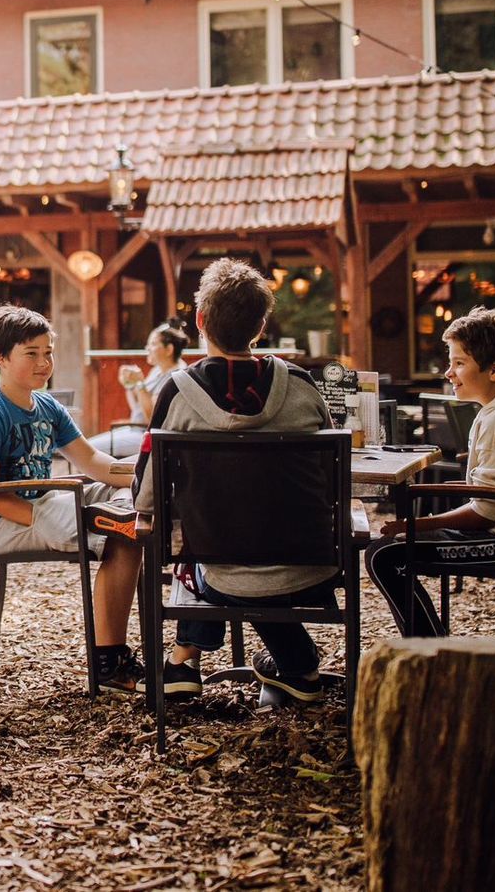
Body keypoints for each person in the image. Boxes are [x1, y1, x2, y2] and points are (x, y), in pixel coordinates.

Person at [143, 259, 337, 707]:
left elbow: (148, 494)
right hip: (308, 564)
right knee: (247, 543)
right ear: (262, 324)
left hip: (221, 568)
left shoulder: (177, 391)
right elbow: (328, 479)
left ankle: (182, 661)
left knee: (203, 552)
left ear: (200, 320)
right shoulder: (303, 385)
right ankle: (297, 666)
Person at [0, 305, 144, 692]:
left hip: (47, 504)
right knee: (115, 527)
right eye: (32, 354)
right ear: (1, 357)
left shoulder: (47, 406)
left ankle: (110, 657)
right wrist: (38, 517)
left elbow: (93, 461)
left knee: (125, 507)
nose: (45, 363)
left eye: (48, 352)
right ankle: (109, 662)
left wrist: (141, 474)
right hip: (2, 523)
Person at [365, 307, 495, 636]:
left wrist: (415, 524)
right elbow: (490, 498)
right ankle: (431, 647)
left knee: (385, 555)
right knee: (390, 547)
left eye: (459, 363)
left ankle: (433, 654)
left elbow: (484, 513)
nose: (449, 373)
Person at [118, 322, 189, 424]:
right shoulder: (157, 370)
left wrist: (140, 383)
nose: (147, 348)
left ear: (169, 349)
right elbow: (138, 405)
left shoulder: (175, 376)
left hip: (148, 434)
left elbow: (153, 417)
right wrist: (129, 383)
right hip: (136, 427)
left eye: (153, 344)